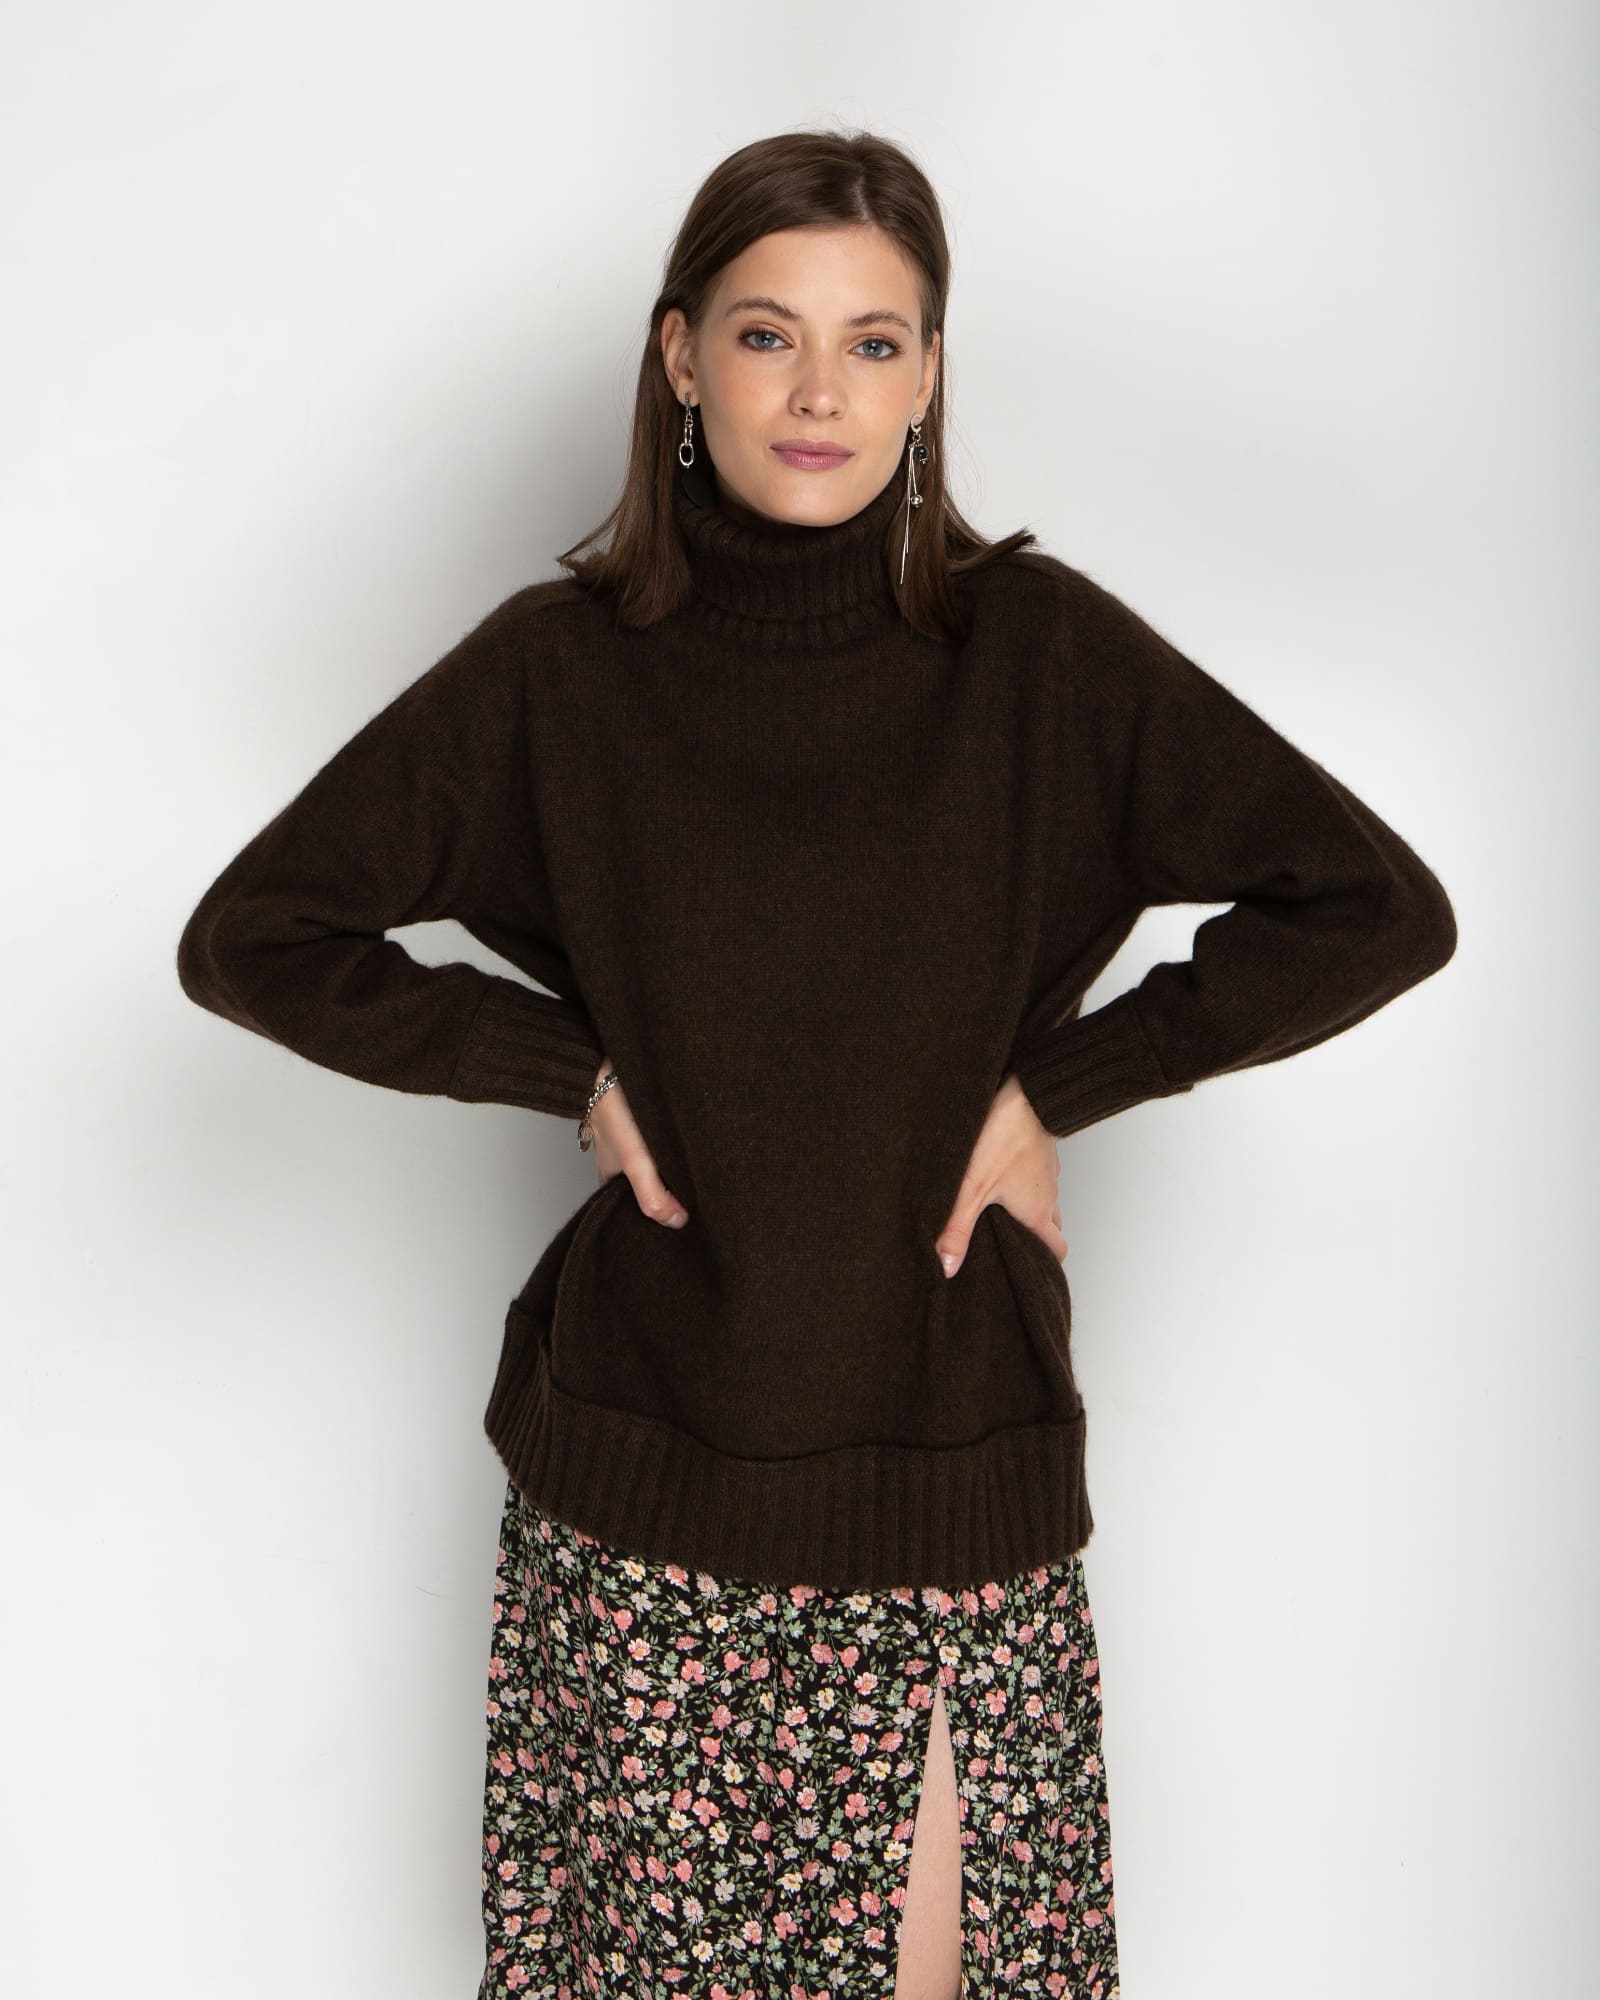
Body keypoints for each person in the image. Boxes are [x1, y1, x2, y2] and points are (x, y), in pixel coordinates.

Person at [175, 129, 1458, 2000]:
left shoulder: (1035, 660)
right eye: (769, 334)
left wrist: (1059, 1092)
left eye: (875, 343)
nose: (820, 392)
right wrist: (566, 1074)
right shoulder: (560, 676)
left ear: (930, 376)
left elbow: (1373, 906)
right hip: (643, 1486)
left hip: (948, 1466)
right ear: (680, 356)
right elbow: (256, 935)